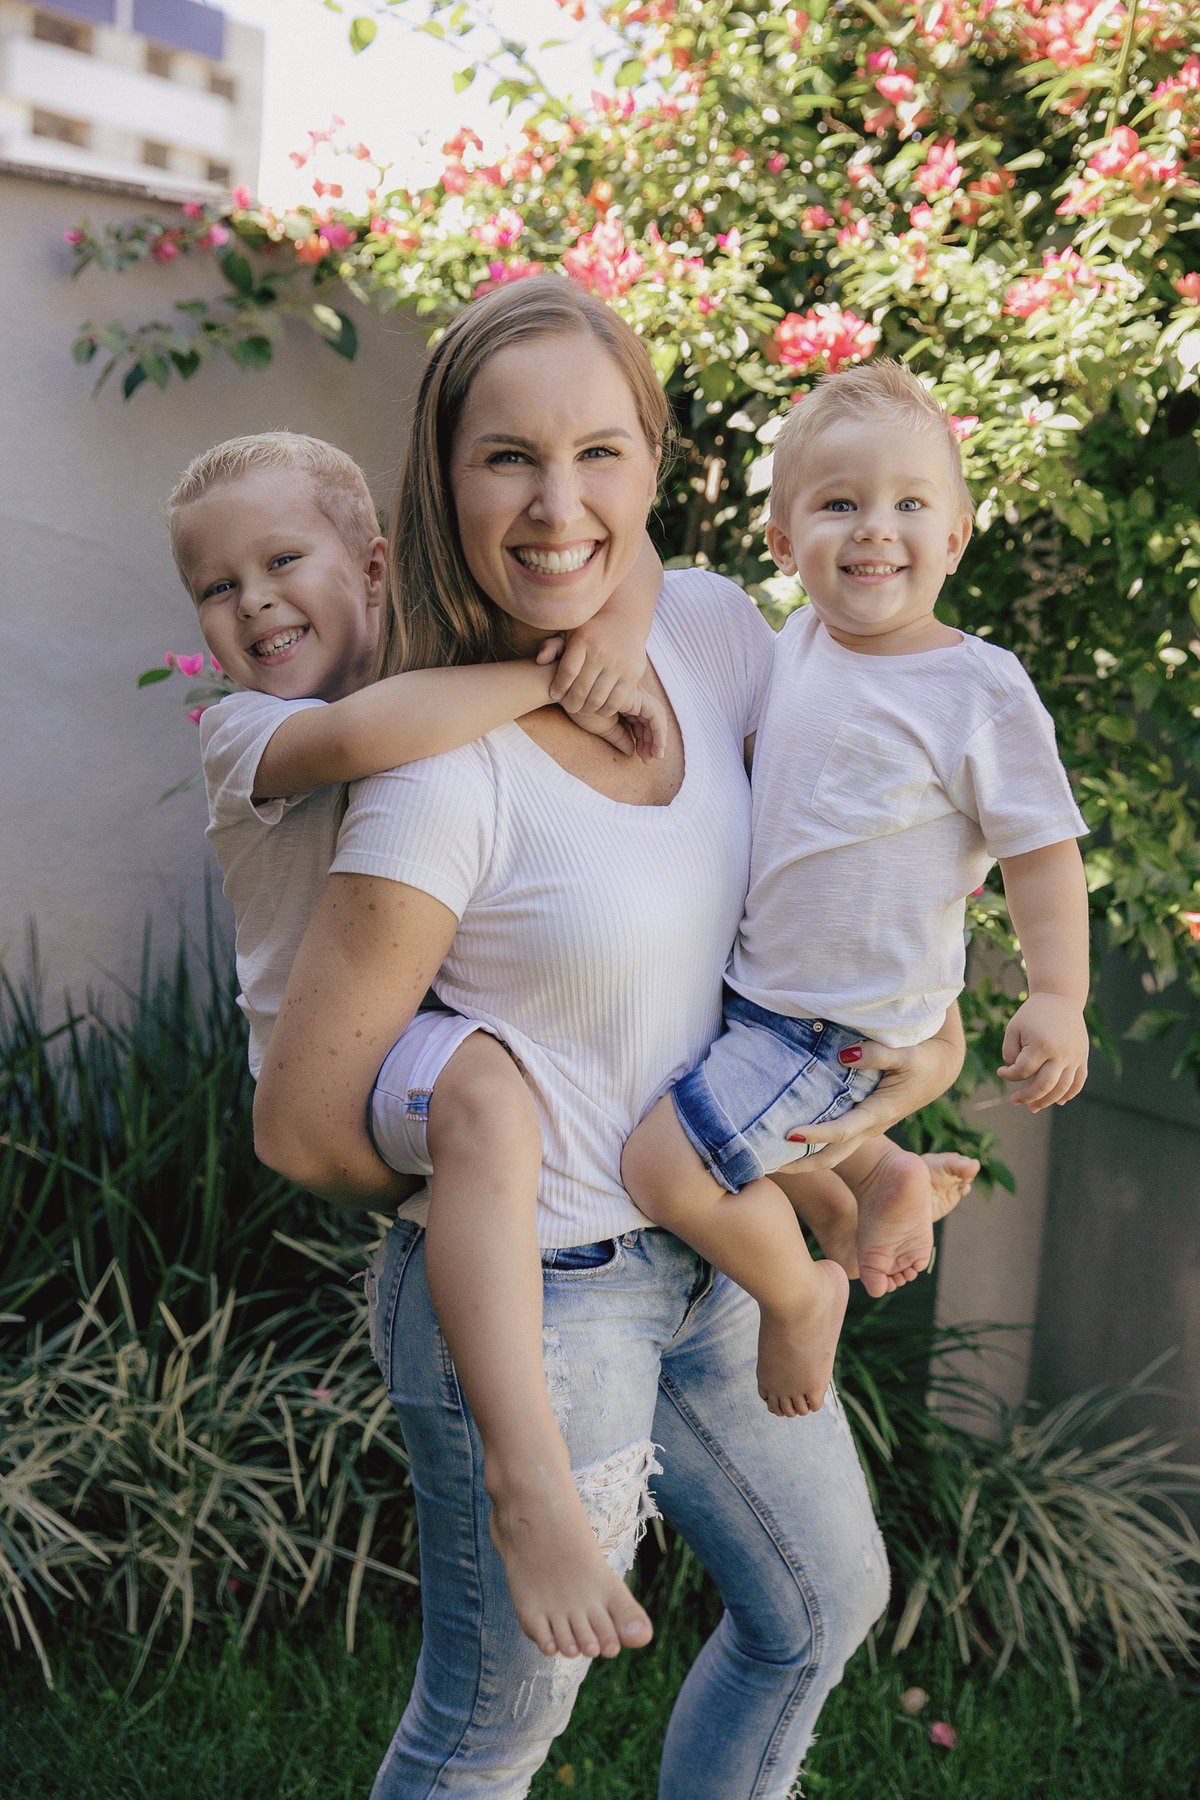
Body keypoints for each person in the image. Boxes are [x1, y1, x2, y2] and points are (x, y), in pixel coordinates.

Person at [253, 277, 973, 1798]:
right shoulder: (440, 775)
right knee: (494, 1731)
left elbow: (855, 823)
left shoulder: (711, 632)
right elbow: (302, 1125)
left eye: (598, 453)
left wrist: (934, 1029)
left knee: (820, 1604)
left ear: (653, 461)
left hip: (723, 1245)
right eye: (506, 456)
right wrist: (511, 1172)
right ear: (443, 484)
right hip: (555, 1303)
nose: (556, 503)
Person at [168, 430, 669, 1660]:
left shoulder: (442, 662)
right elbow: (362, 739)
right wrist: (569, 673)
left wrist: (611, 632)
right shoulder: (243, 733)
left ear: (378, 565)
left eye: (283, 559)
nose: (255, 602)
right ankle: (528, 1481)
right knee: (493, 1098)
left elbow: (641, 549)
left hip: (443, 1035)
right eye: (217, 588)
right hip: (346, 1070)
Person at [623, 360, 1090, 1420]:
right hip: (765, 1000)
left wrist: (1057, 995)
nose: (877, 529)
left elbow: (1042, 850)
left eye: (911, 504)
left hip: (836, 1027)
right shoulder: (793, 645)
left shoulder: (975, 686)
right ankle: (882, 1179)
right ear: (786, 546)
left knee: (662, 1165)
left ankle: (799, 1297)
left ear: (958, 536)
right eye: (840, 504)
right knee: (748, 1127)